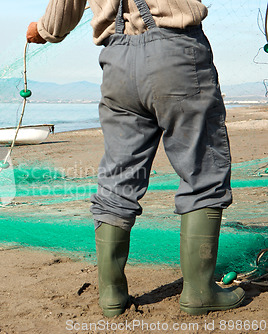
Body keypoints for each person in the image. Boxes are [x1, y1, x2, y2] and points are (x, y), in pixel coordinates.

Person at [26, 0, 245, 317]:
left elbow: (64, 8)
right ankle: (199, 292)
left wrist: (44, 30)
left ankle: (112, 296)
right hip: (178, 52)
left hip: (117, 62)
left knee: (118, 179)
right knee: (203, 170)